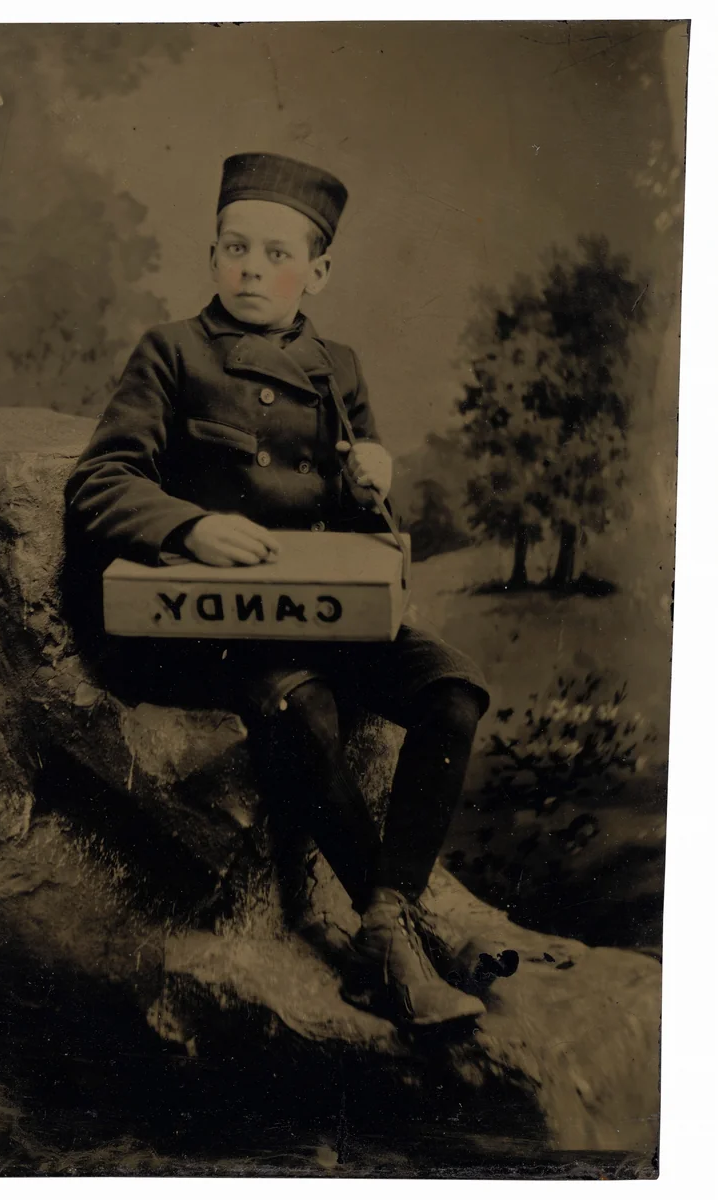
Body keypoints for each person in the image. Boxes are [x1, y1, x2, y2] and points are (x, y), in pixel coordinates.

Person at [65, 152, 506, 1028]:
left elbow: (366, 535)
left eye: (276, 254)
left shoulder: (337, 367)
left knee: (453, 690)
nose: (251, 270)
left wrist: (374, 483)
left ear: (319, 271)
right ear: (212, 255)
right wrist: (188, 527)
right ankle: (402, 946)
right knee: (301, 707)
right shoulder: (172, 351)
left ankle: (387, 918)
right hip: (205, 623)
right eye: (234, 248)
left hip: (317, 610)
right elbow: (100, 481)